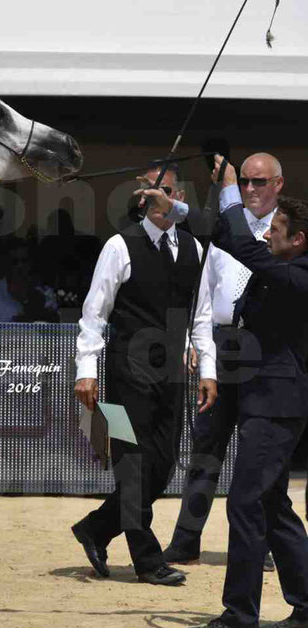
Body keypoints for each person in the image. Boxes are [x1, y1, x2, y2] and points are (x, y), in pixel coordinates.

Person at [70, 164, 217, 586]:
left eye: (164, 191)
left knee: (163, 466)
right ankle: (147, 560)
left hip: (171, 374)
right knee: (132, 466)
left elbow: (201, 316)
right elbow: (94, 314)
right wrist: (86, 370)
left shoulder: (194, 249)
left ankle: (96, 529)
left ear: (179, 196)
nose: (155, 199)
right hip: (123, 373)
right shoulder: (119, 246)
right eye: (149, 192)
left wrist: (207, 368)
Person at [181, 160, 308, 628]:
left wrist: (232, 189)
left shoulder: (295, 274)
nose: (267, 235)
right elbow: (230, 235)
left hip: (276, 404)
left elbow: (239, 243)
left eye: (275, 229)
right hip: (269, 398)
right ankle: (306, 606)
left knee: (245, 501)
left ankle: (240, 617)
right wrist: (173, 208)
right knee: (273, 504)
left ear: (296, 240)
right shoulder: (283, 264)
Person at [164, 153, 285, 569]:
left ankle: (267, 542)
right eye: (246, 182)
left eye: (260, 182)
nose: (252, 189)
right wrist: (193, 340)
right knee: (205, 446)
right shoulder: (221, 231)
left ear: (278, 185)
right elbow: (203, 290)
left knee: (263, 452)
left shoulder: (286, 234)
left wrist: (228, 185)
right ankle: (185, 541)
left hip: (264, 346)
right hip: (220, 341)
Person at [0, 239, 58, 322]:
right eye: (14, 262)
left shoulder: (47, 293)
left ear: (30, 263)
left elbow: (52, 329)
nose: (19, 266)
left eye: (24, 261)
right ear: (6, 263)